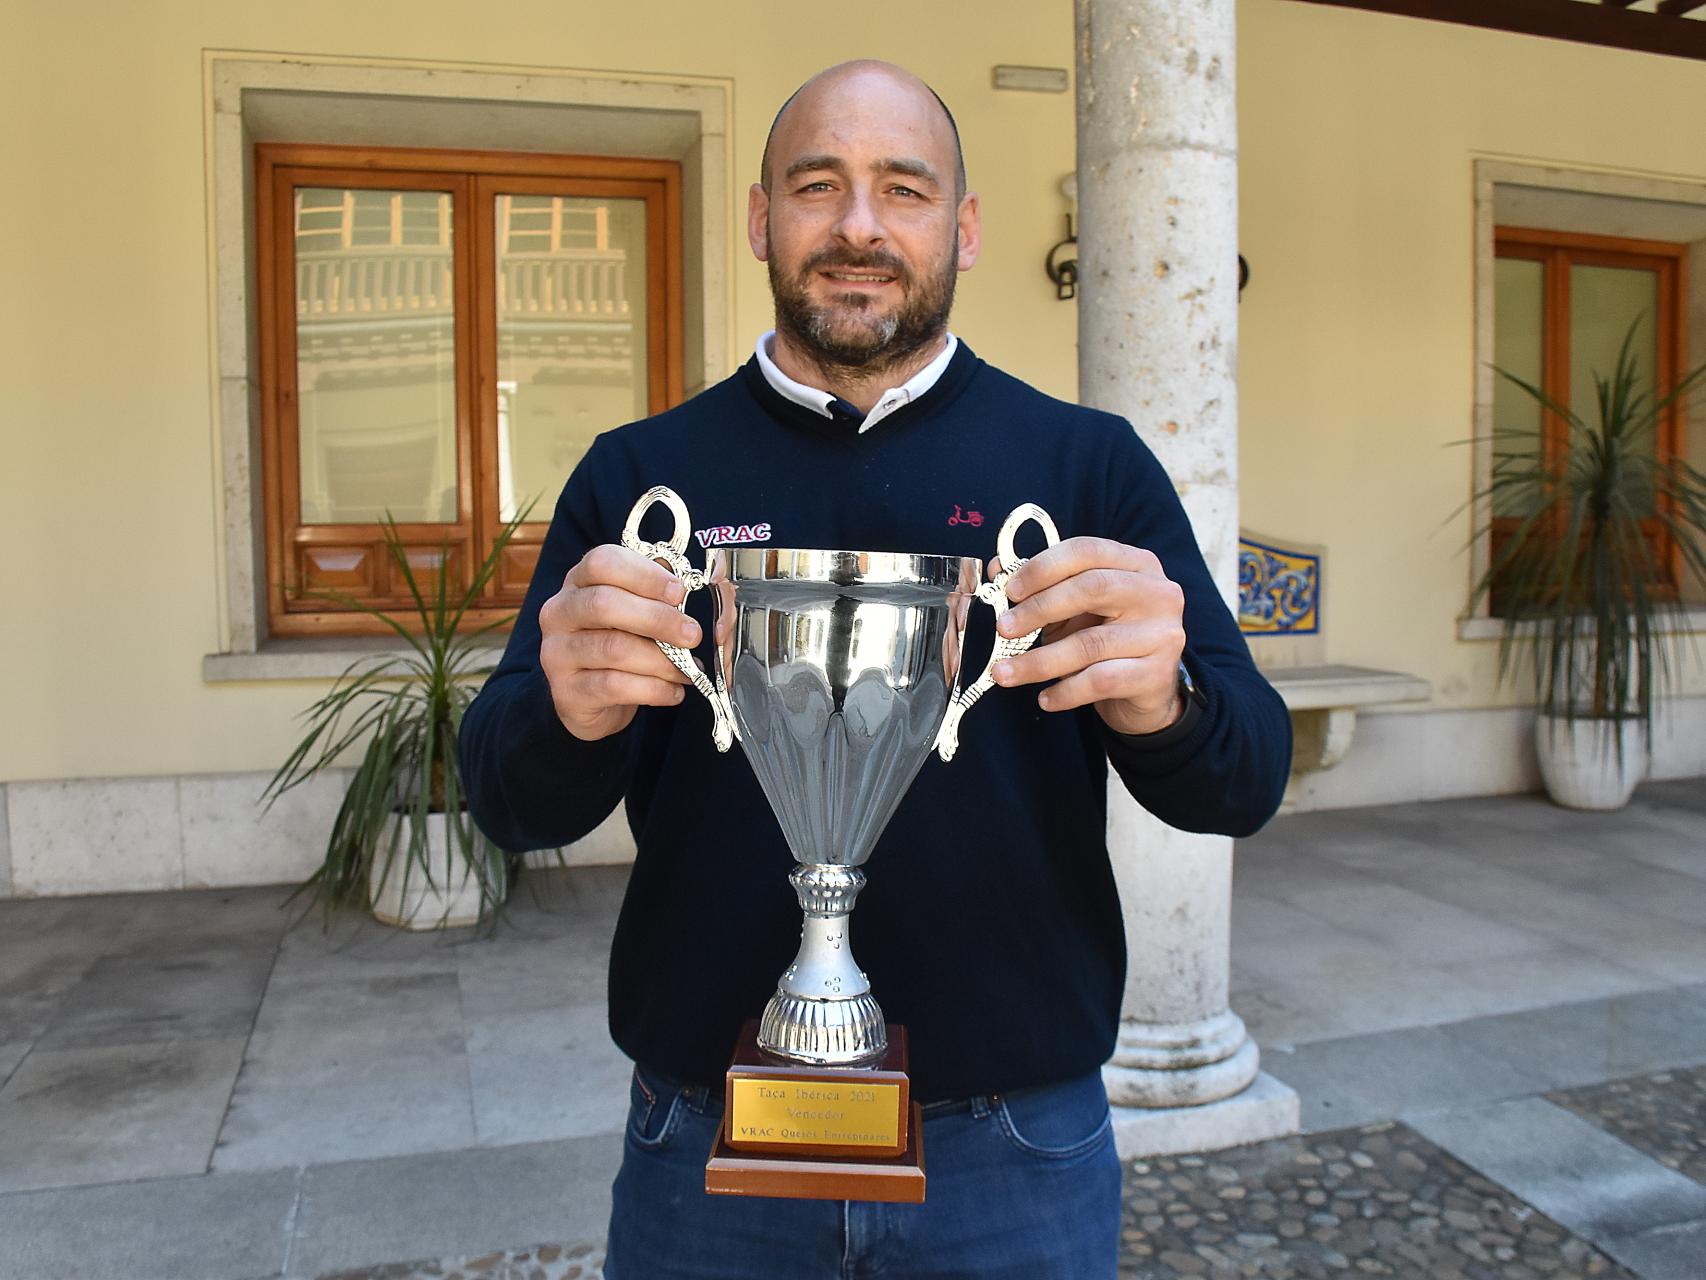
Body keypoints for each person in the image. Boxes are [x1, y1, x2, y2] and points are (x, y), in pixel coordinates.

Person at [460, 59, 1291, 1280]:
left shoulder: (1084, 469)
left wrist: (1164, 697)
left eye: (902, 189)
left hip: (1013, 1143)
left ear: (960, 228)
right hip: (707, 1140)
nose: (858, 226)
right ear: (759, 218)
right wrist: (564, 709)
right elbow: (507, 796)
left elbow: (1243, 778)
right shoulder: (639, 476)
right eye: (817, 185)